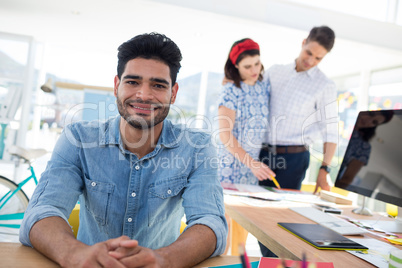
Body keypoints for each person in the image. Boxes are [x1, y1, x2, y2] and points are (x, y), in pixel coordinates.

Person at [20, 32, 227, 268]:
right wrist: (74, 254)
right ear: (117, 85)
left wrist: (164, 260)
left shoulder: (197, 147)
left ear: (174, 93)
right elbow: (43, 210)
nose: (144, 95)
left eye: (158, 85)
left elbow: (210, 221)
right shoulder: (78, 139)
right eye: (132, 82)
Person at [258, 26, 338, 257]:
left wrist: (325, 168)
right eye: (309, 53)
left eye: (318, 58)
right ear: (303, 42)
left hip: (293, 158)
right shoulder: (275, 71)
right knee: (258, 215)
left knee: (281, 218)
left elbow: (330, 130)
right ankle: (272, 260)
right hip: (262, 155)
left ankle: (276, 261)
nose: (311, 60)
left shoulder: (324, 85)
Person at [218, 38, 276, 185]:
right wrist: (252, 164)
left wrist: (253, 165)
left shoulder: (264, 88)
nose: (254, 70)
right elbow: (225, 135)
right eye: (247, 66)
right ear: (236, 65)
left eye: (257, 63)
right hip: (229, 167)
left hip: (251, 171)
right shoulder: (230, 91)